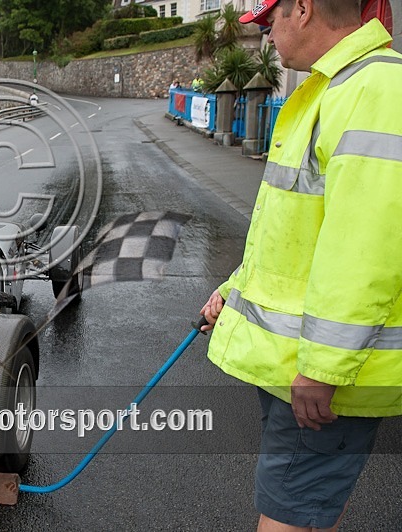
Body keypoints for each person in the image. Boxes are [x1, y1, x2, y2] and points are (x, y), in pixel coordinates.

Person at [200, 0, 402, 529]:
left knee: (290, 514)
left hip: (322, 374)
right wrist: (234, 290)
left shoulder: (374, 91)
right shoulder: (335, 88)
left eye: (270, 22)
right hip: (304, 366)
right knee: (308, 509)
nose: (267, 37)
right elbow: (291, 233)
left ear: (304, 9)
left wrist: (322, 369)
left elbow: (366, 248)